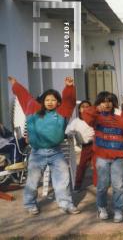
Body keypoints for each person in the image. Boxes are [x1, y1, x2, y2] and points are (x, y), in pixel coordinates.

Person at [9, 76, 79, 216]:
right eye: (47, 100)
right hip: (37, 153)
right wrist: (16, 85)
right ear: (42, 101)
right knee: (33, 181)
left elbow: (69, 101)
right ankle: (30, 204)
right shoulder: (32, 110)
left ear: (58, 102)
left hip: (56, 152)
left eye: (53, 100)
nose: (50, 102)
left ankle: (65, 203)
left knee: (63, 179)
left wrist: (69, 87)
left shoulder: (62, 112)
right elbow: (25, 96)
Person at [82, 91, 123, 223]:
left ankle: (118, 210)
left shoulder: (119, 119)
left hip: (118, 157)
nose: (107, 104)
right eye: (103, 101)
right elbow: (86, 114)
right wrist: (96, 108)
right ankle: (102, 207)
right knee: (102, 185)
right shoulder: (96, 118)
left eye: (110, 101)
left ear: (114, 103)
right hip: (101, 157)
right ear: (99, 103)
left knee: (118, 185)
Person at [65, 100, 96, 190]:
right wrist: (72, 133)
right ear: (79, 110)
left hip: (96, 144)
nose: (85, 108)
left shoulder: (95, 118)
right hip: (86, 146)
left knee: (98, 165)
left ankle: (98, 183)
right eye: (83, 107)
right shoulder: (76, 121)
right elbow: (67, 131)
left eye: (87, 106)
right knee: (82, 166)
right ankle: (77, 185)